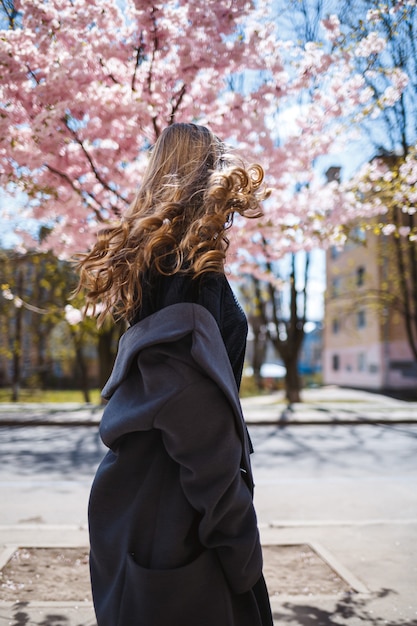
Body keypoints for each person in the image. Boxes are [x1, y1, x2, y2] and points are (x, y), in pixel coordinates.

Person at [76, 122, 273, 626]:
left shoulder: (154, 263)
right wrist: (243, 551)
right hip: (180, 525)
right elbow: (195, 421)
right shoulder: (188, 273)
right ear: (211, 172)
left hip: (141, 509)